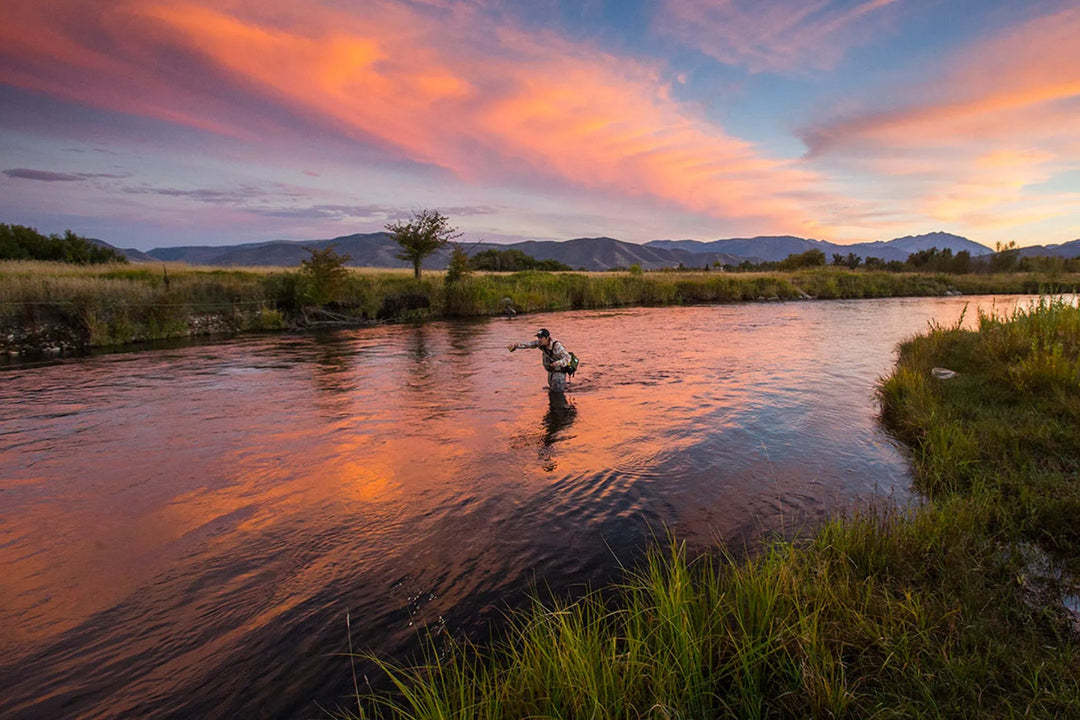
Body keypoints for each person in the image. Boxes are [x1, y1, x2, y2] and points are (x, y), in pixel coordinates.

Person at [508, 328, 573, 392]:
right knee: (553, 388)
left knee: (557, 390)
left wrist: (557, 363)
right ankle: (564, 386)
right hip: (551, 370)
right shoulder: (540, 344)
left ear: (547, 338)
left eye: (541, 338)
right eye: (538, 337)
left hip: (560, 370)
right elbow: (528, 345)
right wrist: (515, 345)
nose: (539, 340)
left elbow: (568, 358)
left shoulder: (557, 346)